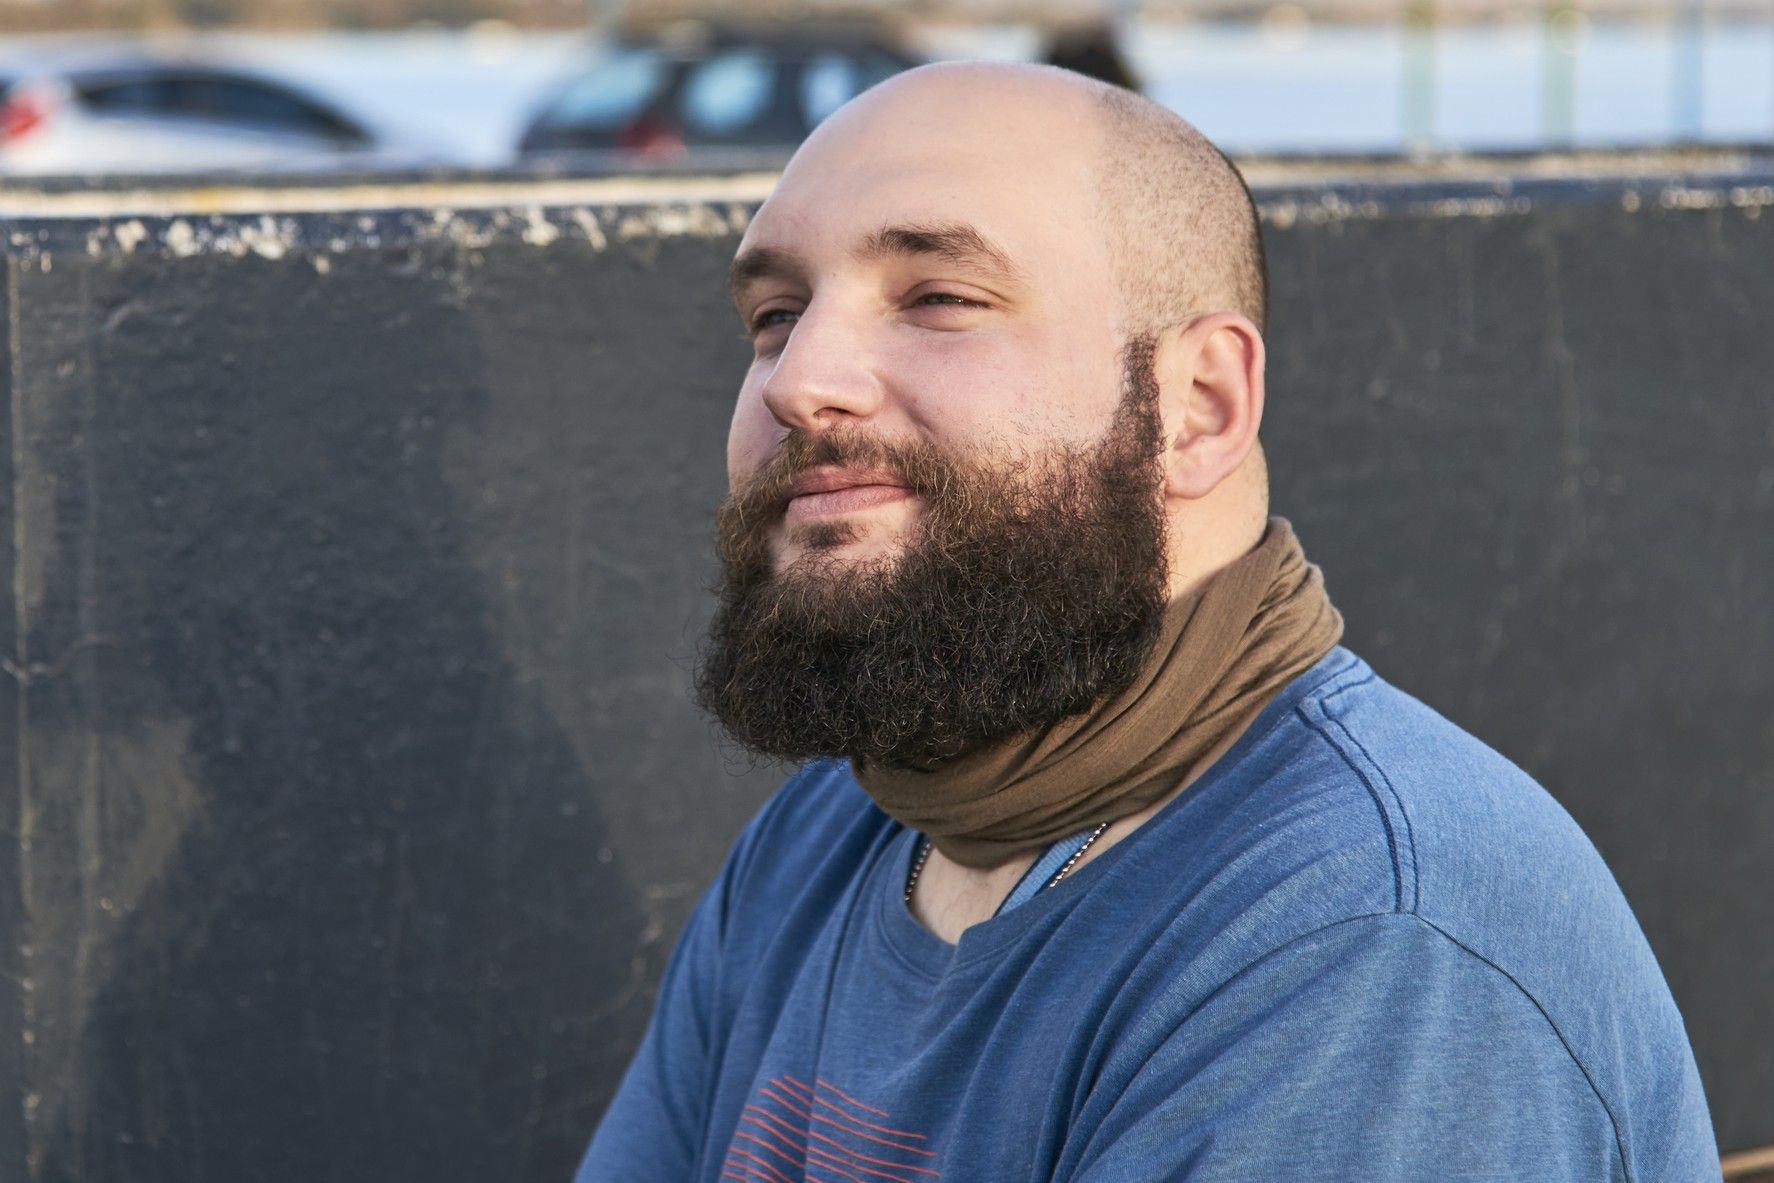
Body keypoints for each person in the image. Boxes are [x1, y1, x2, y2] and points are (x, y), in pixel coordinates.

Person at [577, 62, 1719, 1181]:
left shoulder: (1362, 936)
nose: (798, 379)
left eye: (939, 298)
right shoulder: (826, 839)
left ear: (1196, 407)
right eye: (776, 316)